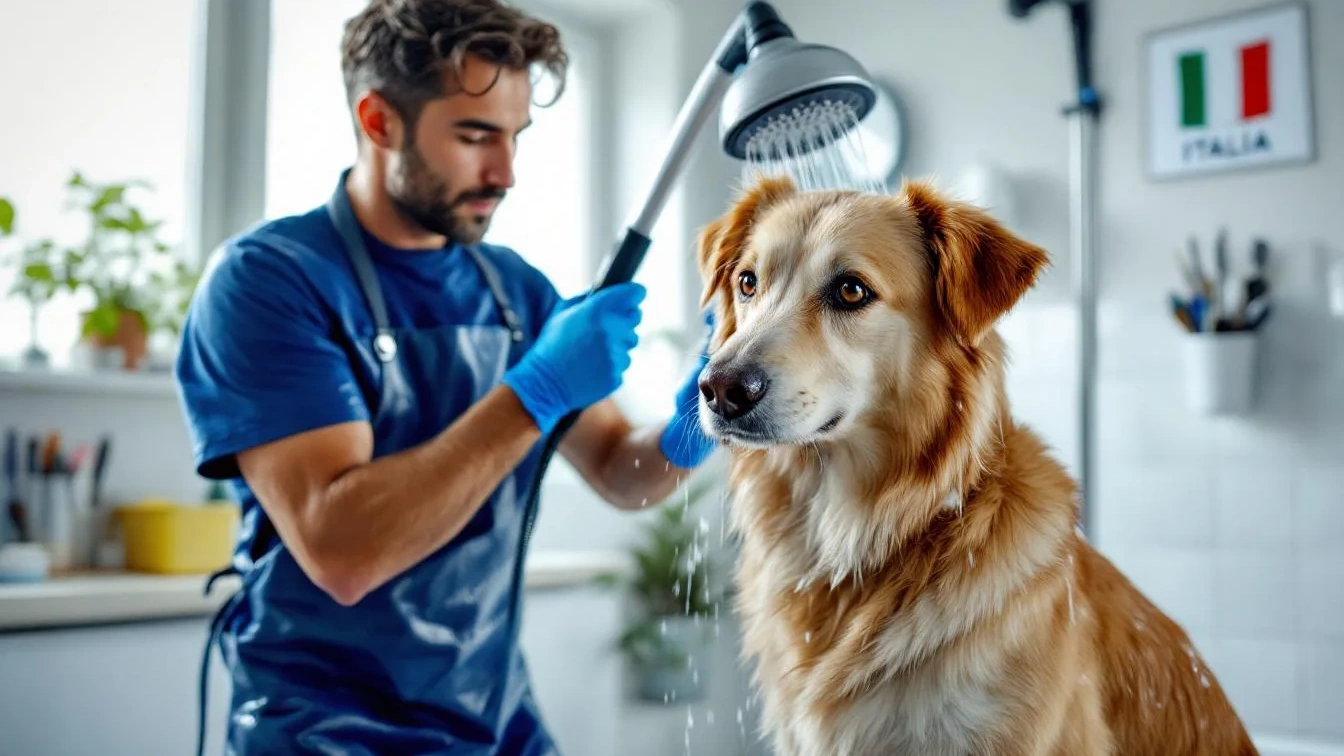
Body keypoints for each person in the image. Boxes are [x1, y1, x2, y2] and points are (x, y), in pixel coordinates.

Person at [173, 1, 717, 753]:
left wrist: (706, 413)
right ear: (379, 121)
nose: (506, 173)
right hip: (322, 730)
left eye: (515, 137)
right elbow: (343, 552)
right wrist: (535, 393)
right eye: (474, 136)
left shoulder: (515, 289)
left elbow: (623, 474)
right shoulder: (269, 283)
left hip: (493, 719)